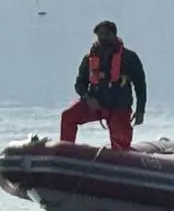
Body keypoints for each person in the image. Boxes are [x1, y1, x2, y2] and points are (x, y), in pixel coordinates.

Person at [58, 20, 147, 150]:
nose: (103, 38)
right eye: (100, 35)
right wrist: (88, 98)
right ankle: (66, 152)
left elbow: (140, 86)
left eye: (106, 34)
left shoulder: (130, 58)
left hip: (119, 106)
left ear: (114, 35)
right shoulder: (89, 58)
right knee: (68, 116)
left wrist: (140, 110)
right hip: (96, 104)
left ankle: (121, 161)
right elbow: (79, 84)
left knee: (121, 146)